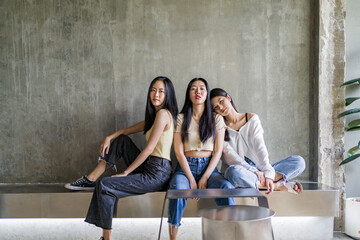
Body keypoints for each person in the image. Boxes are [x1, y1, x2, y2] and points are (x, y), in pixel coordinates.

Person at [67, 76, 178, 240]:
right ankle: (92, 178)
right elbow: (126, 131)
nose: (156, 94)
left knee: (105, 185)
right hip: (150, 167)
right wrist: (110, 136)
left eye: (161, 91)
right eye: (153, 90)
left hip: (157, 172)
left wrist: (126, 172)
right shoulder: (155, 116)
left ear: (168, 94)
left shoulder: (163, 114)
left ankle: (106, 238)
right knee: (122, 141)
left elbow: (148, 150)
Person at [168, 78, 235, 240]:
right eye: (193, 89)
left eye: (202, 89)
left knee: (225, 186)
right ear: (188, 94)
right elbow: (179, 152)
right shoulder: (180, 118)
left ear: (206, 93)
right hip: (185, 169)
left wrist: (204, 177)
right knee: (178, 188)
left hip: (210, 169)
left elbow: (218, 151)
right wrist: (191, 179)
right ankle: (173, 237)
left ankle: (232, 233)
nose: (198, 92)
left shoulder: (216, 119)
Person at [210, 88, 306, 195]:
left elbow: (260, 147)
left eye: (221, 101)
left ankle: (264, 183)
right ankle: (276, 185)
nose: (221, 107)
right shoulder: (219, 128)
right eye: (216, 107)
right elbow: (229, 155)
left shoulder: (252, 118)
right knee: (232, 172)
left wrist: (268, 173)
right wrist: (252, 170)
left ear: (228, 97)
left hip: (260, 169)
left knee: (298, 162)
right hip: (241, 170)